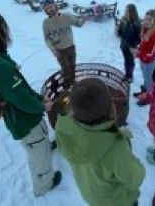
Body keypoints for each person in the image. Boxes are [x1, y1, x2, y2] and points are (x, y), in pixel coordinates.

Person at [0, 10, 61, 197]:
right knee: (38, 154)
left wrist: (38, 98)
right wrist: (42, 106)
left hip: (15, 117)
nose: (6, 32)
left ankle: (43, 146)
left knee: (37, 145)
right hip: (25, 121)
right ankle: (44, 184)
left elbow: (15, 89)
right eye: (3, 28)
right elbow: (21, 98)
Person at [56, 78, 145, 206]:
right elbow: (136, 178)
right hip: (117, 201)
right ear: (110, 108)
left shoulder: (64, 123)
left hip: (91, 195)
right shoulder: (115, 149)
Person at [42, 0, 84, 89]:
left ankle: (73, 84)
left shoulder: (66, 16)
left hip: (71, 47)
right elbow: (47, 39)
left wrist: (82, 20)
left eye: (51, 7)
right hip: (59, 50)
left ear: (55, 6)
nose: (50, 9)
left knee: (72, 67)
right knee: (66, 69)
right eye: (48, 8)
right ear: (46, 11)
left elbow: (78, 23)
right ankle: (66, 87)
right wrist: (54, 51)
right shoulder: (45, 23)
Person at [132, 10, 155, 105]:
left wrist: (138, 53)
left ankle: (149, 97)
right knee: (145, 78)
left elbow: (151, 53)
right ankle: (144, 91)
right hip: (143, 60)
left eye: (150, 19)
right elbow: (143, 45)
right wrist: (138, 49)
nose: (146, 21)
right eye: (146, 19)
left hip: (150, 62)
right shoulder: (145, 30)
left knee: (150, 81)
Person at [115, 4, 141, 83]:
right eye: (125, 11)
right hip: (123, 45)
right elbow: (121, 34)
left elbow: (138, 39)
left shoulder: (136, 23)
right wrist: (118, 30)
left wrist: (132, 46)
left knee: (130, 61)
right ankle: (127, 74)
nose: (125, 13)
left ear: (132, 12)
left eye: (127, 11)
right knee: (126, 60)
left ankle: (130, 75)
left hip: (131, 47)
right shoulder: (124, 20)